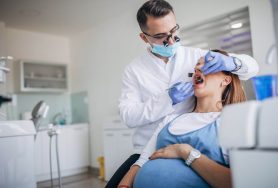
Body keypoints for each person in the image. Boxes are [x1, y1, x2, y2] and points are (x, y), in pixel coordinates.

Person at [106, 0, 258, 187]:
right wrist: (167, 99)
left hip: (195, 144)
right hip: (147, 148)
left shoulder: (196, 56)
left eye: (174, 31)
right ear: (144, 37)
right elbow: (129, 116)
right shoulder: (134, 70)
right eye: (161, 36)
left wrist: (232, 63)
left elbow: (251, 67)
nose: (171, 40)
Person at [118, 49, 246, 188]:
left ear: (226, 80)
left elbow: (237, 182)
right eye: (197, 65)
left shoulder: (231, 121)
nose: (197, 68)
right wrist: (124, 184)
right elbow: (144, 159)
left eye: (208, 66)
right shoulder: (170, 119)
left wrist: (184, 151)